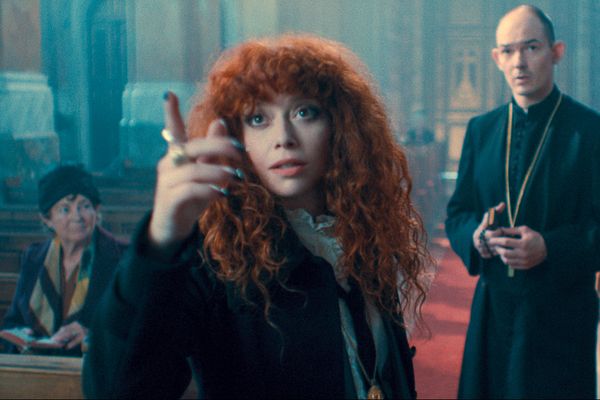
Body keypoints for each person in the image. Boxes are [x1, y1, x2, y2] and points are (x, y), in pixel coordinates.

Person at [82, 34, 431, 399]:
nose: (284, 137)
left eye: (304, 112)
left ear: (339, 126)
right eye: (258, 118)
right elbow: (118, 390)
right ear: (236, 137)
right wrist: (161, 240)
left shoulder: (363, 230)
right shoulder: (215, 256)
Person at [446, 5, 600, 399]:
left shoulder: (590, 131)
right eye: (508, 50)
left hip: (562, 314)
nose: (519, 61)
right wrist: (476, 237)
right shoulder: (481, 130)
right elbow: (458, 213)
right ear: (496, 58)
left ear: (556, 52)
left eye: (531, 47)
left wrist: (549, 246)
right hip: (494, 311)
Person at [0, 165, 128, 356]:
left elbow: (140, 327)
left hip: (94, 368)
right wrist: (21, 335)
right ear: (47, 219)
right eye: (65, 209)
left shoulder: (123, 258)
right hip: (36, 368)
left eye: (85, 206)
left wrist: (91, 337)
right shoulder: (34, 257)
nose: (77, 217)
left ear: (96, 210)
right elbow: (12, 321)